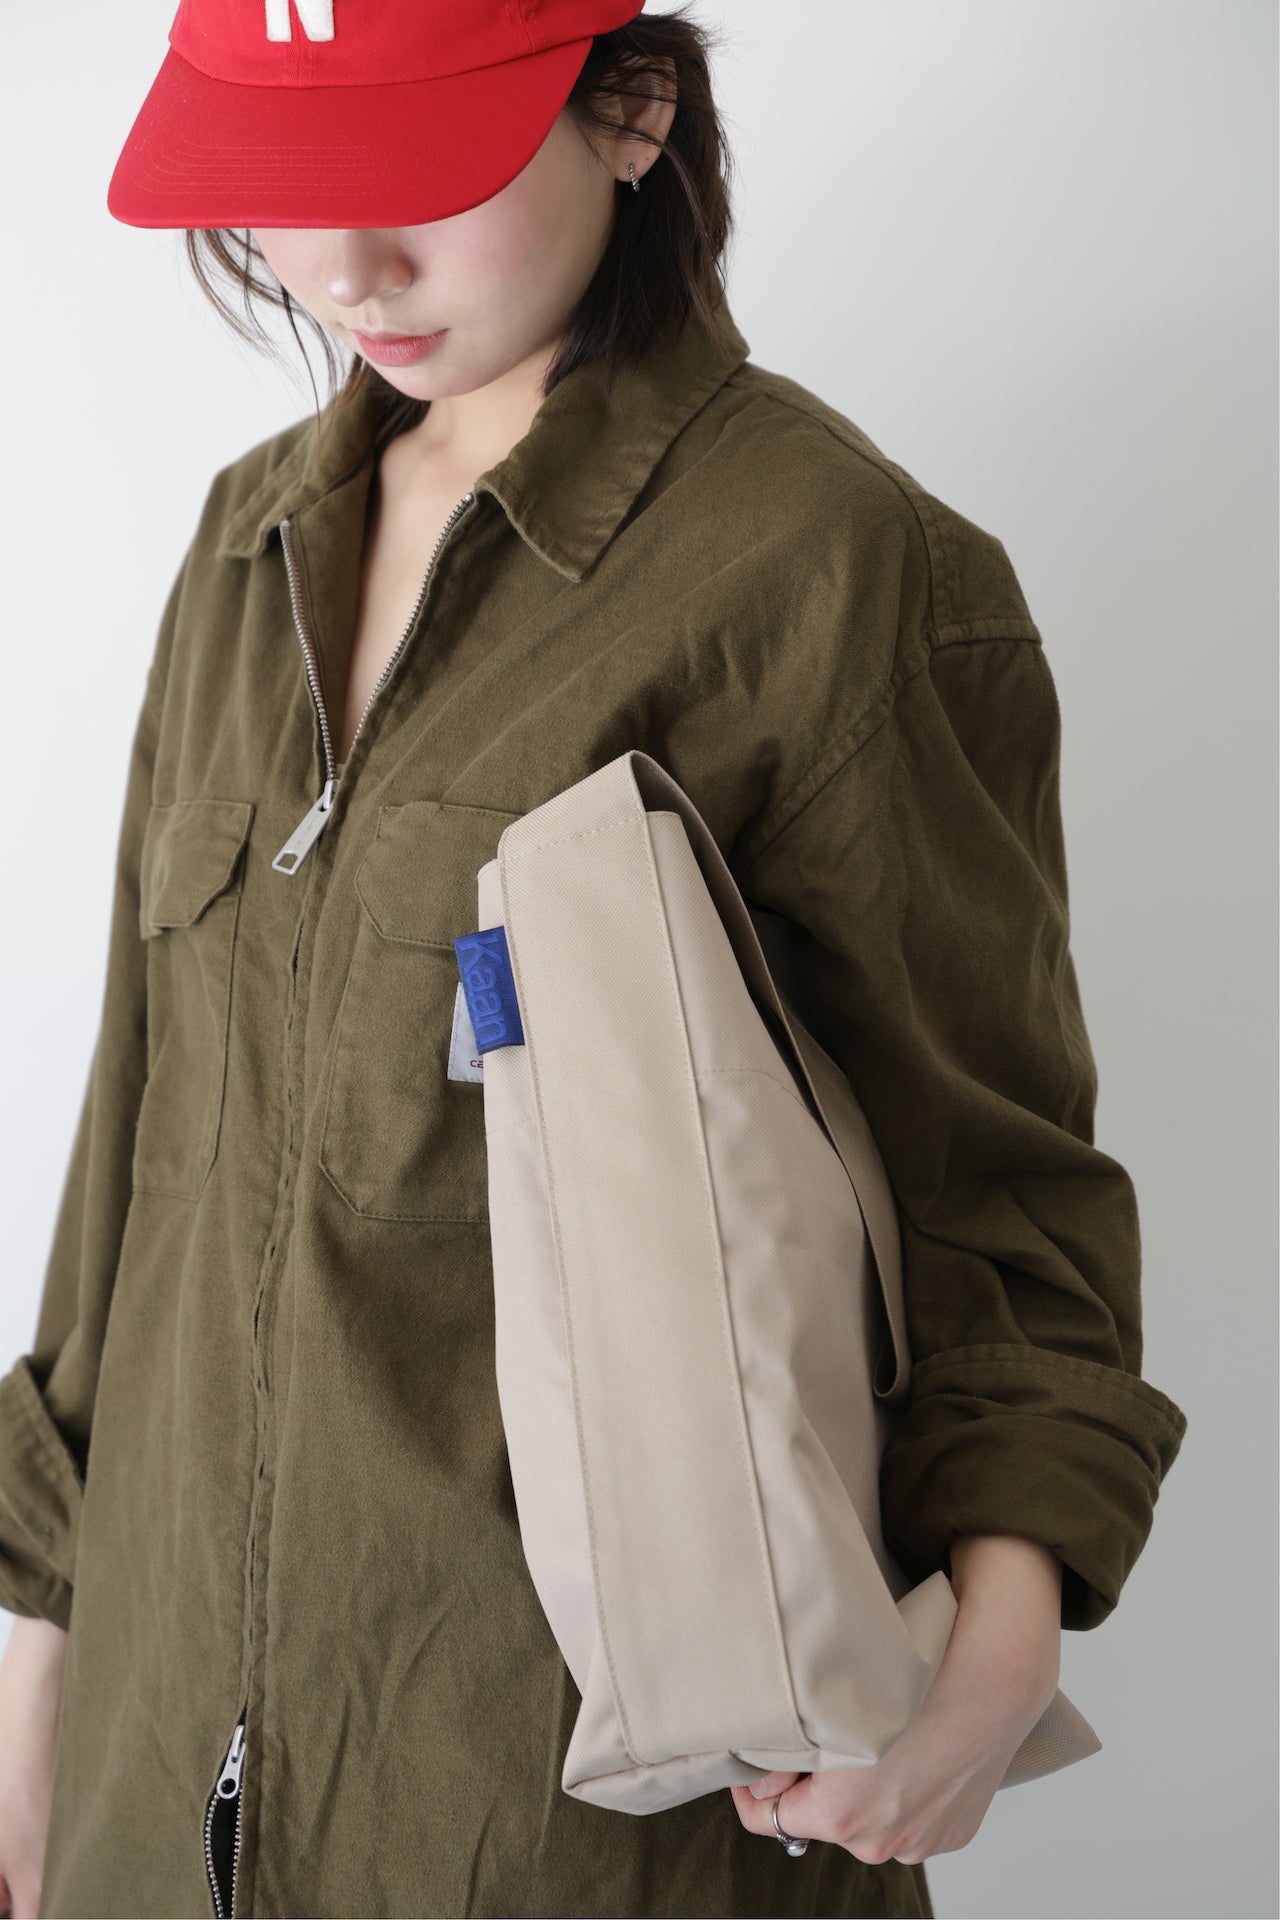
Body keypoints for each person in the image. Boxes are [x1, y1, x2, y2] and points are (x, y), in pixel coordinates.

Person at [0, 3, 1190, 1917]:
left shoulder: (831, 563)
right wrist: (38, 1698)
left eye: (417, 177)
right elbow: (130, 1157)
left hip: (585, 1819)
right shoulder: (244, 545)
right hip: (151, 1796)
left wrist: (1005, 1625)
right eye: (285, 188)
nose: (345, 270)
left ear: (632, 111)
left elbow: (994, 1182)